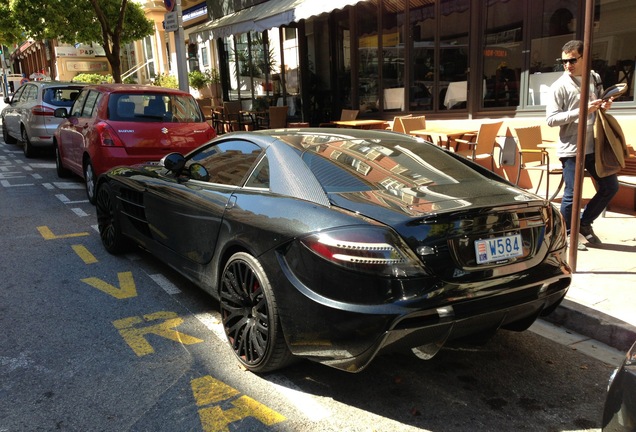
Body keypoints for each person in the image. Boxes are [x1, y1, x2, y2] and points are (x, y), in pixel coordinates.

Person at [546, 40, 619, 250]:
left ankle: (584, 224)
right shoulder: (559, 86)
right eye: (564, 61)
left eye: (572, 60)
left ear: (583, 58)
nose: (567, 65)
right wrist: (583, 110)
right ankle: (568, 234)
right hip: (572, 148)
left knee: (610, 186)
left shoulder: (594, 77)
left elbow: (599, 102)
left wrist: (605, 105)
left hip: (595, 146)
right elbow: (551, 119)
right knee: (572, 193)